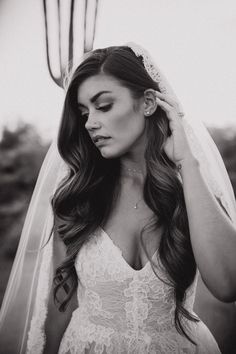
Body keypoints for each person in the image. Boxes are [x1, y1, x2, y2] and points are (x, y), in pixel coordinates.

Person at [0, 43, 236, 354]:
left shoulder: (191, 191)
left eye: (104, 106)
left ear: (149, 102)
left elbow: (227, 284)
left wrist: (187, 164)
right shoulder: (77, 199)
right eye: (84, 112)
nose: (89, 123)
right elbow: (58, 316)